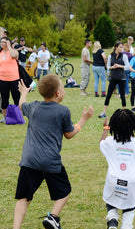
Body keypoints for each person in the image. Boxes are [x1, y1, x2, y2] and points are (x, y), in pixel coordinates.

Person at [13, 75, 94, 229]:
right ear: (58, 93)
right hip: (50, 162)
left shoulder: (34, 107)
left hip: (29, 160)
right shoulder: (63, 111)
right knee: (65, 191)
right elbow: (69, 134)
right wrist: (83, 119)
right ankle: (53, 218)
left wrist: (24, 92)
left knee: (24, 197)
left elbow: (21, 105)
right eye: (63, 88)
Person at [100, 109, 135, 229]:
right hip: (131, 183)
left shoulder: (110, 141)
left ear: (113, 126)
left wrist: (105, 129)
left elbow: (101, 143)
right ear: (133, 126)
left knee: (111, 201)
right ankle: (126, 225)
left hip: (113, 180)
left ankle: (112, 221)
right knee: (129, 208)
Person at [98, 42, 131, 119]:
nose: (121, 49)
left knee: (122, 95)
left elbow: (127, 67)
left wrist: (119, 66)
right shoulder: (110, 56)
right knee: (109, 94)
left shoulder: (124, 56)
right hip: (113, 77)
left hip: (121, 78)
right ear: (116, 47)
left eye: (122, 47)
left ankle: (125, 112)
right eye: (120, 47)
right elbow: (108, 66)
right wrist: (112, 67)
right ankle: (104, 111)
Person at [0, 37, 20, 122]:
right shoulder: (0, 52)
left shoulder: (14, 51)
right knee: (4, 98)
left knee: (16, 98)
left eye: (4, 42)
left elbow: (13, 55)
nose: (2, 43)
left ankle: (18, 116)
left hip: (14, 78)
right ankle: (5, 116)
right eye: (1, 42)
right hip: (2, 79)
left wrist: (9, 46)